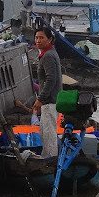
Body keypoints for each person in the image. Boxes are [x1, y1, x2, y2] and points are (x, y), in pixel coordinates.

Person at [33, 27, 63, 157]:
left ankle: (51, 160)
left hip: (50, 100)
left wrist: (40, 98)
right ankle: (48, 156)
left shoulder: (48, 56)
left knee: (49, 133)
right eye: (36, 38)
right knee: (44, 132)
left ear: (49, 39)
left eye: (41, 38)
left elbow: (51, 79)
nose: (38, 40)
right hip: (51, 99)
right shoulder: (50, 53)